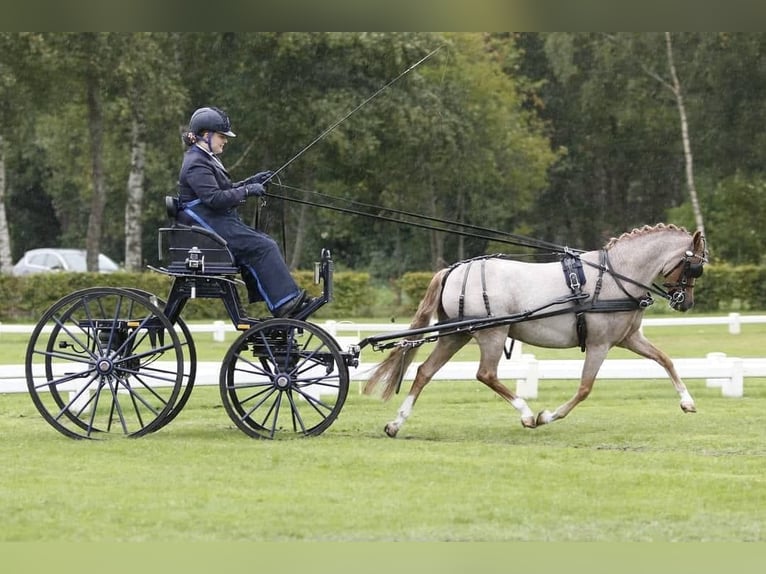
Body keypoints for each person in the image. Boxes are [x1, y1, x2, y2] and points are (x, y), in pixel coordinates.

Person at [176, 106, 311, 318]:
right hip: (206, 227)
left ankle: (283, 302)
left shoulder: (205, 158)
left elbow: (222, 191)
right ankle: (285, 304)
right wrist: (247, 191)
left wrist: (251, 182)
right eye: (222, 136)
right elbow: (214, 199)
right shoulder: (196, 163)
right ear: (205, 135)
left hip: (214, 221)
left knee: (263, 241)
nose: (225, 140)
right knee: (263, 245)